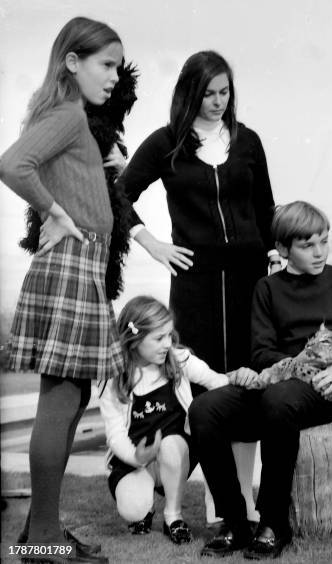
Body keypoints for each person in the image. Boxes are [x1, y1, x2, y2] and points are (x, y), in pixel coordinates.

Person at [189, 201, 332, 559]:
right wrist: (291, 365)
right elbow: (262, 353)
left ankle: (273, 523)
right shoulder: (267, 289)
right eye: (307, 245)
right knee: (205, 409)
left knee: (279, 401)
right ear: (283, 249)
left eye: (324, 242)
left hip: (326, 390)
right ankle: (236, 522)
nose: (319, 252)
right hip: (280, 383)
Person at [0, 17, 132, 564]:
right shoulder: (69, 113)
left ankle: (39, 531)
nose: (114, 77)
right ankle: (44, 539)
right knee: (62, 396)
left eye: (118, 67)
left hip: (84, 260)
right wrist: (54, 210)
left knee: (72, 394)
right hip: (73, 263)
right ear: (72, 63)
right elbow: (12, 164)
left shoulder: (74, 119)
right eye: (106, 64)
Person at [118, 50, 279, 375]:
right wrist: (152, 243)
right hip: (194, 277)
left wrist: (274, 255)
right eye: (208, 94)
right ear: (190, 92)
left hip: (250, 274)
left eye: (224, 92)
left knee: (253, 368)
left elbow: (265, 206)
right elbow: (118, 195)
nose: (218, 101)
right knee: (197, 372)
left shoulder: (247, 141)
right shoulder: (166, 142)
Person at [99, 296, 256, 544]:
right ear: (135, 339)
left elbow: (214, 380)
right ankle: (145, 508)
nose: (167, 344)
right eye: (159, 338)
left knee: (171, 444)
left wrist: (241, 378)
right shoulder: (115, 378)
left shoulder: (179, 360)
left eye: (169, 336)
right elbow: (115, 434)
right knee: (133, 509)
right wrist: (136, 456)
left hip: (175, 453)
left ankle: (173, 515)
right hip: (135, 458)